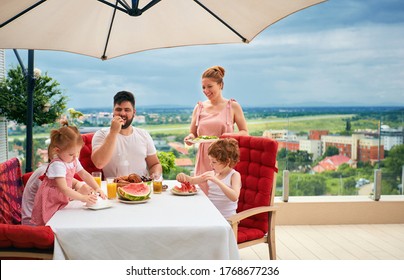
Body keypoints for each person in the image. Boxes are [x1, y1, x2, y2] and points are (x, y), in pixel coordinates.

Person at [184, 65, 248, 194]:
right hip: (204, 159)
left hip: (224, 161)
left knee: (222, 197)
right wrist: (190, 138)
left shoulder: (233, 106)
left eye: (210, 86)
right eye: (203, 87)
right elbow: (193, 133)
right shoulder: (199, 107)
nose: (206, 90)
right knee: (203, 198)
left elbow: (245, 132)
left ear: (221, 85)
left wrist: (228, 135)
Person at [31, 122, 106, 226]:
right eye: (71, 154)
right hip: (50, 202)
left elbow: (84, 174)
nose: (75, 157)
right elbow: (64, 189)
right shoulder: (57, 165)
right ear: (58, 150)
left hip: (61, 199)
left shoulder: (73, 159)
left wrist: (97, 188)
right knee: (50, 224)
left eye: (78, 153)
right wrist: (83, 198)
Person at [91, 90, 162, 178]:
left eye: (127, 110)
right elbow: (99, 163)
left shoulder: (144, 135)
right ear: (113, 112)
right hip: (114, 188)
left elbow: (154, 164)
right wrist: (113, 132)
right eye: (118, 109)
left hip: (141, 185)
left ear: (134, 113)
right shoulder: (101, 134)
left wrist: (156, 174)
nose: (122, 113)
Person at [177, 138, 241, 219]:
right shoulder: (211, 174)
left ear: (227, 161)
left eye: (214, 162)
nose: (211, 165)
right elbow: (192, 180)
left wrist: (217, 181)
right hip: (211, 216)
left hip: (227, 220)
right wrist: (183, 176)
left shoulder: (234, 175)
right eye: (210, 161)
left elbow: (234, 197)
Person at [21, 163, 93, 226]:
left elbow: (76, 183)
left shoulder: (58, 169)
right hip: (34, 222)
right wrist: (79, 195)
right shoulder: (47, 172)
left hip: (49, 215)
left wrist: (82, 188)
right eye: (71, 154)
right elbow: (54, 200)